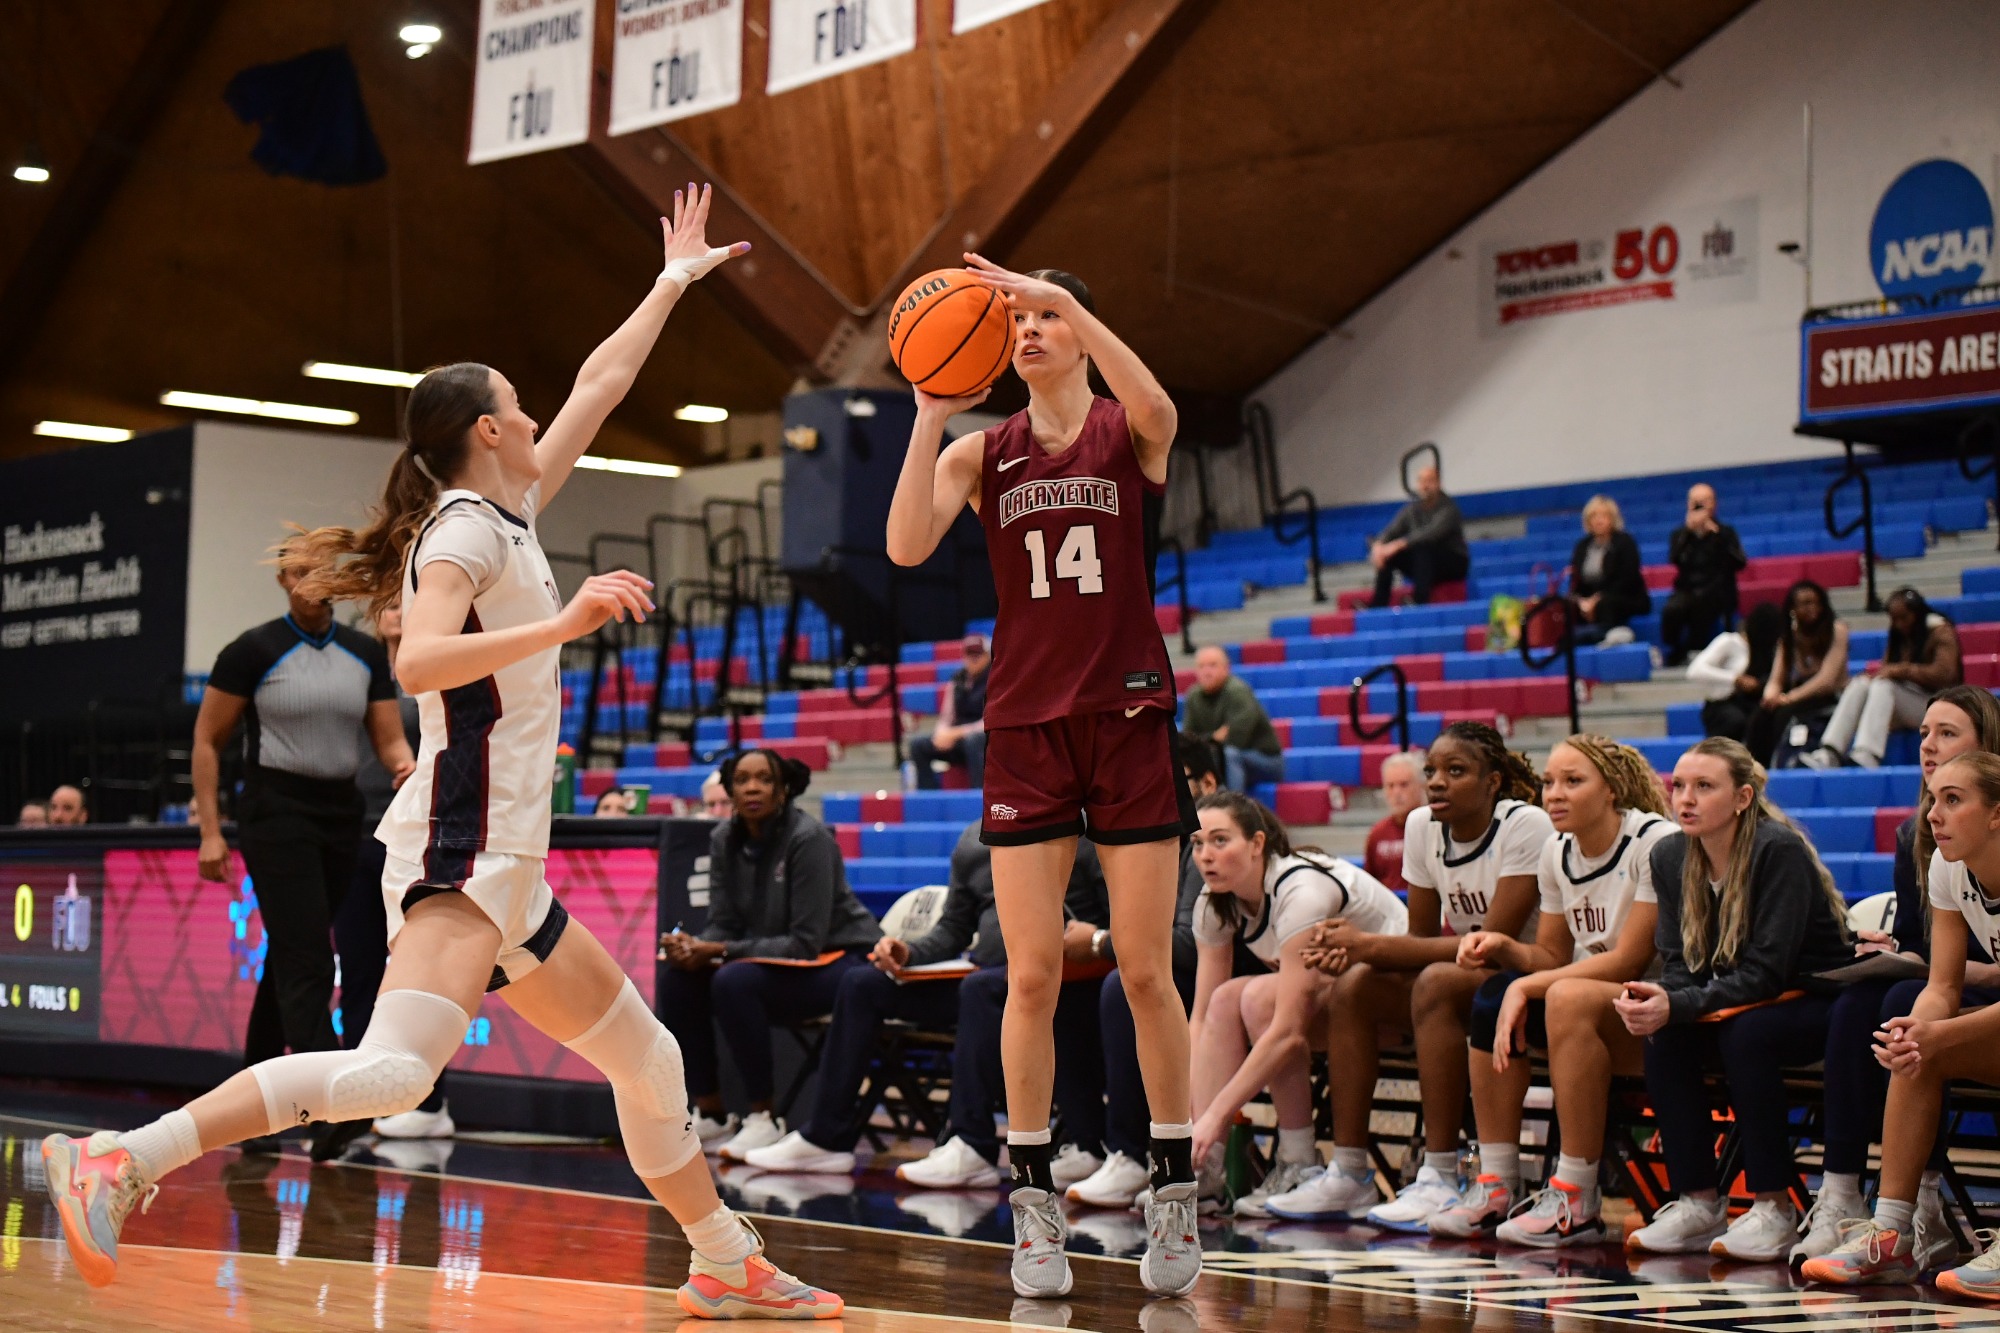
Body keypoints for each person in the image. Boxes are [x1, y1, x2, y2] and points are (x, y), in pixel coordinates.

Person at [40, 183, 846, 1318]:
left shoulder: (509, 509)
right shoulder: (461, 533)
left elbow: (602, 385)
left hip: (508, 864)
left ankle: (722, 1261)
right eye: (517, 404)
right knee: (393, 1074)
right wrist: (566, 626)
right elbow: (418, 663)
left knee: (650, 1061)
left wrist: (669, 281)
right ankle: (124, 1158)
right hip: (461, 843)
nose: (533, 412)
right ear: (486, 430)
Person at [885, 258, 1200, 1300]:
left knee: (1145, 971)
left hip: (1125, 714)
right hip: (1023, 724)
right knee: (1024, 976)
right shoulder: (985, 453)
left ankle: (1170, 1188)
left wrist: (1063, 295)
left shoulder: (1123, 429)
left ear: (1079, 327)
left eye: (1043, 317)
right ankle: (1032, 1207)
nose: (1025, 330)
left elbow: (1155, 402)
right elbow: (902, 544)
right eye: (1012, 319)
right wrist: (929, 414)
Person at [1264, 721, 1553, 1226]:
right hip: (1464, 975)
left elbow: (1491, 945)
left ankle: (1440, 1174)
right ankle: (1350, 1172)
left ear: (1493, 782)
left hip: (1525, 976)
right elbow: (1420, 941)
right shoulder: (1421, 826)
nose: (1437, 781)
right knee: (1355, 988)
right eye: (1432, 771)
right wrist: (1355, 955)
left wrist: (1367, 943)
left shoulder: (1524, 824)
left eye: (1456, 771)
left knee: (1435, 983)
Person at [192, 535, 417, 1161]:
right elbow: (208, 741)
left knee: (292, 957)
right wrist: (211, 830)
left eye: (323, 570)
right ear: (283, 580)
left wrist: (406, 768)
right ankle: (333, 1103)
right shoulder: (252, 650)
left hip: (340, 813)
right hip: (275, 811)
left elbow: (389, 739)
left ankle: (251, 1113)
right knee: (310, 956)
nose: (312, 579)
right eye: (299, 570)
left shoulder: (364, 652)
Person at [742, 827, 1109, 1193]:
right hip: (987, 980)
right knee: (862, 983)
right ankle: (825, 1139)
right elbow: (953, 929)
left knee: (979, 990)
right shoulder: (974, 840)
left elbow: (1112, 923)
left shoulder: (1085, 834)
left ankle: (973, 1145)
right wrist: (910, 952)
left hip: (1065, 980)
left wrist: (1091, 943)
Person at [1426, 736, 1673, 1240]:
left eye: (1573, 781)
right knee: (1493, 994)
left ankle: (1577, 1195)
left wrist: (1531, 985)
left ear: (1612, 790)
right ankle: (1498, 1181)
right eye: (1548, 783)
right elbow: (1553, 958)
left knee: (1556, 995)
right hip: (1584, 999)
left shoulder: (1653, 841)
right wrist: (1502, 947)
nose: (1554, 794)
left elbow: (1630, 960)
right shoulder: (1558, 850)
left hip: (1655, 1002)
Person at [1615, 738, 1851, 1261]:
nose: (1685, 799)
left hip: (1817, 999)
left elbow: (1768, 974)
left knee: (1747, 1034)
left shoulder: (1776, 849)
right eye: (1678, 786)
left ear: (1743, 798)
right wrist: (1660, 1000)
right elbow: (1678, 962)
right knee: (1664, 1029)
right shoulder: (1671, 853)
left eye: (1704, 786)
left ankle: (1773, 1207)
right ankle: (1697, 1202)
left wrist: (1681, 1002)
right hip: (1739, 1000)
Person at [1789, 685, 2000, 1266]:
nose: (1933, 813)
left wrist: (1941, 1033)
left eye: (1952, 798)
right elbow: (1943, 986)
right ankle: (1892, 1234)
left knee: (1924, 1035)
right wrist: (1919, 1032)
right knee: (1909, 1037)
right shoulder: (1943, 860)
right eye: (1933, 800)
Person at [1187, 793, 1405, 1220]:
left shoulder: (1300, 891)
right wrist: (1192, 1124)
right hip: (1335, 1007)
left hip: (1394, 1001)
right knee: (1226, 999)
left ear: (1256, 844)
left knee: (1257, 1000)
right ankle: (1205, 1171)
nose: (1205, 855)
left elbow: (1287, 1031)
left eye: (1219, 840)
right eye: (1197, 843)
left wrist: (1217, 1115)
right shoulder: (1215, 902)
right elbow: (1199, 1019)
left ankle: (1299, 1162)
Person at [658, 748, 882, 1160]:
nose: (752, 787)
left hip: (842, 961)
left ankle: (764, 1117)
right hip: (776, 960)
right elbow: (724, 922)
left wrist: (719, 950)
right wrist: (694, 947)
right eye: (742, 780)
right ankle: (710, 1110)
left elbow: (805, 942)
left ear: (782, 790)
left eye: (763, 779)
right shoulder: (724, 838)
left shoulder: (809, 840)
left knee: (734, 980)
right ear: (730, 790)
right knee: (679, 978)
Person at [1068, 731, 1220, 1210]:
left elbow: (1182, 945)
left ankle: (1136, 1151)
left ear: (1207, 783)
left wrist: (1096, 942)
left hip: (1225, 980)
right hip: (1196, 975)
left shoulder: (1207, 837)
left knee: (1124, 983)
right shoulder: (1160, 838)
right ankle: (1088, 1142)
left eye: (1170, 779)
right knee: (1061, 992)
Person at [337, 604, 454, 1144]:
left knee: (418, 972)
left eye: (405, 599)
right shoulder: (358, 673)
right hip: (356, 835)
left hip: (415, 838)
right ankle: (365, 1097)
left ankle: (429, 1101)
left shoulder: (439, 670)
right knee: (359, 972)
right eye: (385, 601)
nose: (395, 610)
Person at [1805, 588, 1961, 769]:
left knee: (1883, 685)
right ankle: (1830, 752)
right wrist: (1875, 675)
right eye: (1894, 619)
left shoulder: (1940, 631)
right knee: (1860, 684)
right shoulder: (1898, 634)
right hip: (1903, 701)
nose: (1899, 624)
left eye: (1904, 617)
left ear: (1916, 613)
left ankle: (1867, 754)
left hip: (1935, 705)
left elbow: (1945, 675)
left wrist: (1902, 670)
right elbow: (1887, 669)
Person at [1751, 580, 1849, 767]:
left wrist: (1789, 698)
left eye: (1815, 602)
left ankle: (1780, 766)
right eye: (1804, 603)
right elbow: (1776, 678)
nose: (1811, 608)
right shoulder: (1789, 635)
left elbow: (1826, 680)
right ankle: (1754, 768)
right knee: (1761, 715)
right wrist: (1770, 697)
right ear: (1792, 608)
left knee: (1784, 714)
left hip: (1829, 696)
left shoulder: (1837, 630)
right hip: (1798, 694)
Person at [1658, 484, 1747, 667]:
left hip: (1719, 589)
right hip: (1687, 588)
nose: (1699, 506)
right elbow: (1674, 558)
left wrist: (1716, 535)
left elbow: (1739, 562)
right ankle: (1675, 650)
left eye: (1704, 501)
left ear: (1714, 504)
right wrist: (1688, 533)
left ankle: (1696, 649)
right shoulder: (1680, 534)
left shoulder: (1725, 532)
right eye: (1695, 502)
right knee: (1672, 609)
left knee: (1703, 603)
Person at [1181, 646, 1284, 793]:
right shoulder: (1193, 696)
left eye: (1212, 665)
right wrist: (1214, 737)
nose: (1206, 672)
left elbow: (1236, 738)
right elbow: (1188, 741)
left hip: (1266, 761)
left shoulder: (1238, 691)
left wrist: (1206, 740)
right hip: (1224, 759)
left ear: (1226, 668)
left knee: (1230, 753)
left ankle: (1233, 806)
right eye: (1201, 666)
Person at [1367, 464, 1468, 608]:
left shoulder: (1449, 508)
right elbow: (1391, 530)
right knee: (1388, 555)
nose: (1425, 485)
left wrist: (1396, 545)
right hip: (1424, 564)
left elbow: (1431, 534)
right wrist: (1379, 547)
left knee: (1422, 547)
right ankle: (1378, 605)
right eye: (1421, 481)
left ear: (1438, 483)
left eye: (1429, 481)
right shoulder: (1412, 509)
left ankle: (1419, 601)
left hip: (1453, 561)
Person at [1686, 603, 1785, 742]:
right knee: (1735, 722)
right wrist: (1735, 679)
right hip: (1722, 705)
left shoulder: (1771, 651)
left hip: (1753, 704)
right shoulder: (1730, 642)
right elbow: (1695, 671)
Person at [907, 633, 991, 790]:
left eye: (978, 655)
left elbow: (991, 721)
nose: (973, 659)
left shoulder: (996, 679)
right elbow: (947, 715)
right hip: (959, 738)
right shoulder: (957, 679)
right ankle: (928, 797)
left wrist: (955, 733)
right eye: (969, 654)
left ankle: (979, 795)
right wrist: (941, 732)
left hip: (986, 740)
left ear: (987, 656)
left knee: (974, 740)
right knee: (918, 745)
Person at [1566, 496, 1650, 647]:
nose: (1599, 520)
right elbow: (1576, 581)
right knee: (1566, 605)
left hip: (1624, 596)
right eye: (1594, 516)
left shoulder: (1625, 542)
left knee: (1606, 604)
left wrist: (1596, 599)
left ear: (1612, 519)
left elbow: (1628, 579)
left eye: (1603, 516)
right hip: (1590, 600)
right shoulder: (1582, 546)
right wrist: (1582, 601)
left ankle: (1601, 636)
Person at [1364, 752, 1423, 891]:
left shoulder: (1434, 828)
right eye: (1390, 786)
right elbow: (1369, 884)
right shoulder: (1377, 833)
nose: (1396, 792)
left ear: (1421, 786)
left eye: (1404, 785)